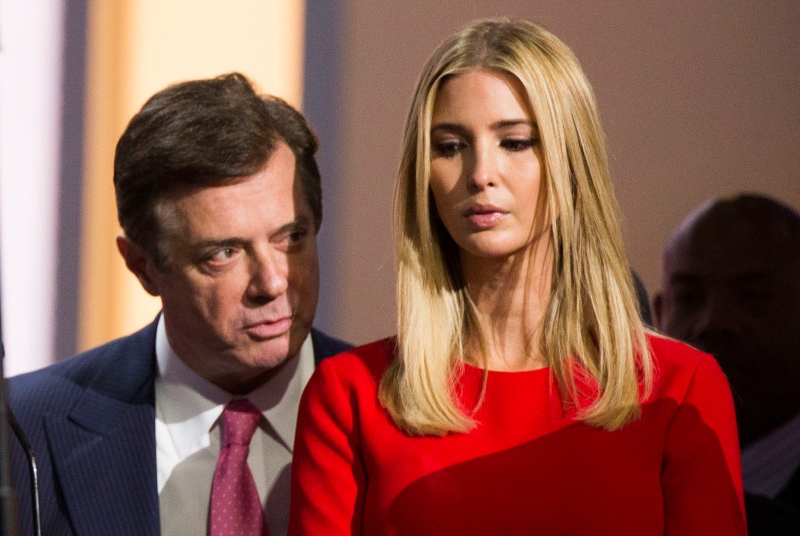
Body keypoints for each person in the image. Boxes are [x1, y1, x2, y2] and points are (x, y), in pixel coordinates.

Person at [289, 18, 746, 535]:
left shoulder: (680, 387)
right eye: (449, 146)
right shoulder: (351, 395)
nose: (481, 173)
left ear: (571, 163)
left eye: (515, 142)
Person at [7, 73, 350, 536]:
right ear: (144, 267)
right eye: (224, 253)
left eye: (291, 238)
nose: (273, 282)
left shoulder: (406, 412)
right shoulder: (19, 430)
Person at [654, 193, 800, 534]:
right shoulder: (619, 492)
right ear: (659, 318)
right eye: (689, 298)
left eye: (753, 297)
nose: (713, 322)